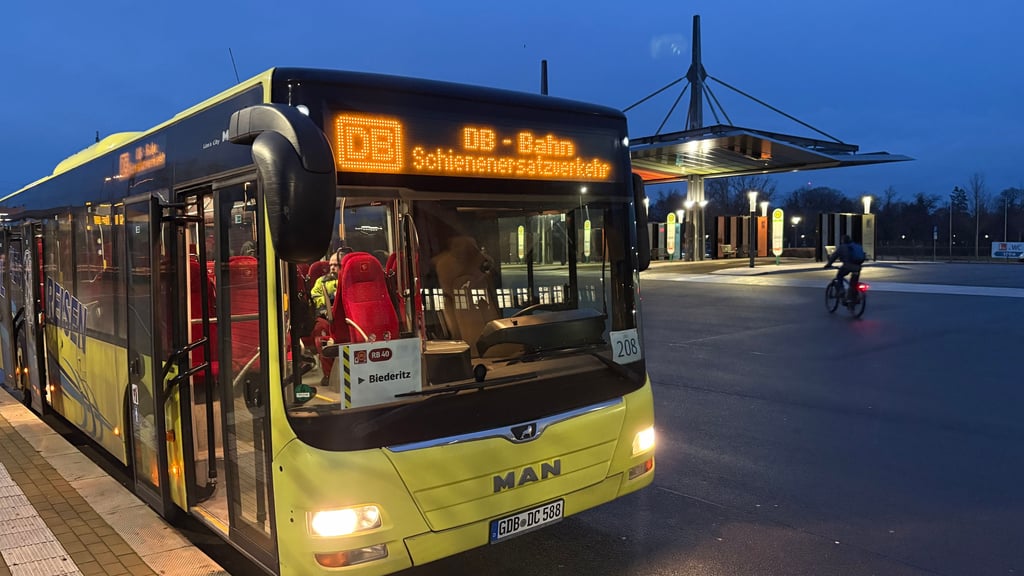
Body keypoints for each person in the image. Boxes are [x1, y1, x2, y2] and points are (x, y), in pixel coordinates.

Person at [825, 235, 866, 303]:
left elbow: (834, 256)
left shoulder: (842, 247)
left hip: (848, 266)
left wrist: (828, 264)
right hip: (858, 267)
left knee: (839, 275)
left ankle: (841, 290)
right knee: (853, 283)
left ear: (843, 240)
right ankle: (854, 297)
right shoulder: (856, 245)